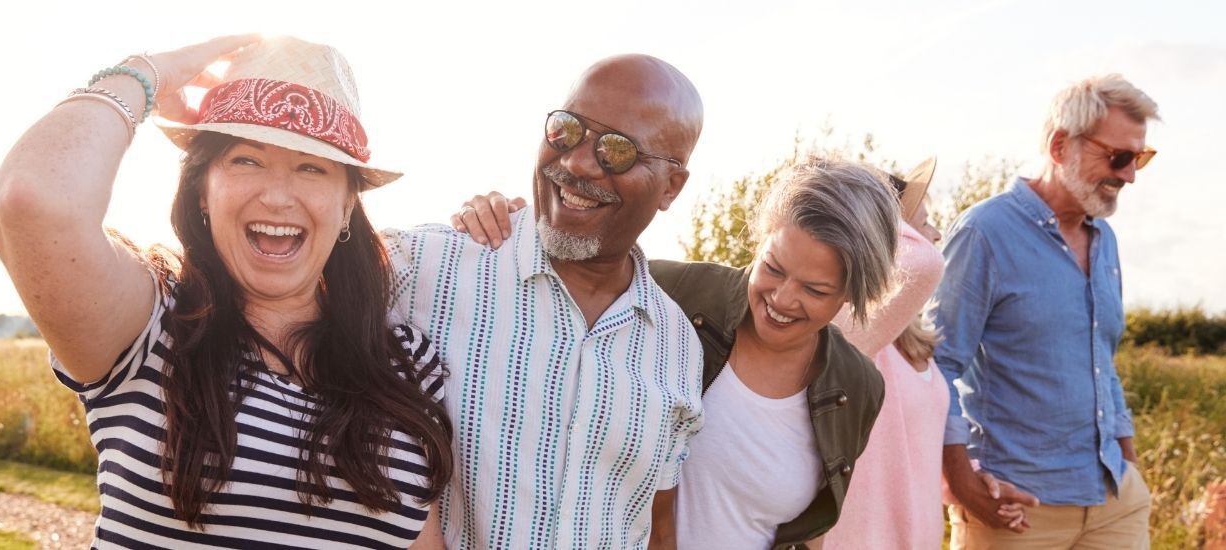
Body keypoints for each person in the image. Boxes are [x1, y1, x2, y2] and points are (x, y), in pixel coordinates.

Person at [0, 36, 451, 549]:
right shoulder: (150, 325)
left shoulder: (404, 362)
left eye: (311, 167)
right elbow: (36, 200)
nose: (277, 197)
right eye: (246, 160)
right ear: (202, 191)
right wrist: (148, 73)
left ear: (346, 207)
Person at [453, 156, 902, 549]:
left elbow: (809, 531)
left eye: (815, 289)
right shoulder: (668, 296)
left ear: (851, 294)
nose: (782, 299)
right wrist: (500, 221)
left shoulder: (857, 385)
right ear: (759, 243)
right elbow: (549, 277)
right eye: (773, 268)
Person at [383, 54, 705, 549]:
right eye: (566, 130)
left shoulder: (679, 345)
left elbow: (654, 527)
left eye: (617, 151)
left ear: (671, 187)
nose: (576, 162)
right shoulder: (423, 270)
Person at [931, 74, 1159, 549]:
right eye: (1118, 157)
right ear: (1060, 146)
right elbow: (937, 365)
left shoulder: (1105, 240)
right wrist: (964, 487)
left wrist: (1130, 464)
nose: (1129, 175)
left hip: (1114, 502)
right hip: (1017, 510)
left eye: (1139, 158)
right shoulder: (984, 233)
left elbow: (1102, 362)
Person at [823, 158, 1029, 549]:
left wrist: (973, 481)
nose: (935, 234)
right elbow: (923, 262)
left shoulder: (912, 340)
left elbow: (914, 447)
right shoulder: (855, 333)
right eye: (923, 223)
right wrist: (868, 212)